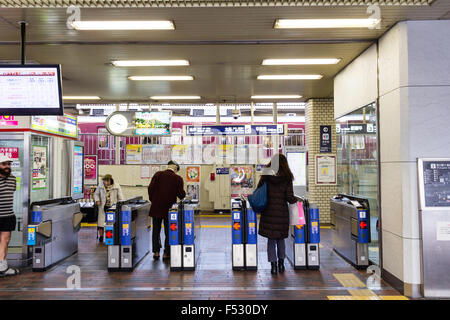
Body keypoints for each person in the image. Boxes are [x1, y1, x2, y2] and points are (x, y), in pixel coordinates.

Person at [256, 153, 297, 275]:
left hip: (268, 212)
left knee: (271, 240)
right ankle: (281, 264)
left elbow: (259, 191)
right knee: (281, 240)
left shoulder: (266, 176)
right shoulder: (287, 177)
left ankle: (273, 266)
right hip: (282, 213)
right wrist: (298, 201)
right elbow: (289, 197)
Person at [148, 160, 186, 260]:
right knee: (169, 231)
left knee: (155, 230)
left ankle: (156, 252)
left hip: (156, 207)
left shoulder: (157, 174)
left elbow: (150, 189)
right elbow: (181, 195)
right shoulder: (177, 178)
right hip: (169, 209)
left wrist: (154, 200)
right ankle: (166, 253)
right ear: (176, 168)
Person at [0, 155, 20, 277]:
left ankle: (2, 266)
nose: (7, 166)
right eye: (4, 164)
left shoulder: (13, 179)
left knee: (5, 240)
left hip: (8, 215)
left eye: (8, 164)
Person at [94, 174, 124, 243]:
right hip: (102, 206)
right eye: (104, 181)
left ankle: (110, 238)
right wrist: (97, 200)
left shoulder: (116, 186)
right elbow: (96, 194)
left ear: (110, 180)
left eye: (107, 181)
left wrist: (120, 204)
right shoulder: (100, 186)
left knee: (110, 223)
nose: (105, 183)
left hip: (112, 207)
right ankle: (101, 237)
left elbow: (120, 197)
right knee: (101, 223)